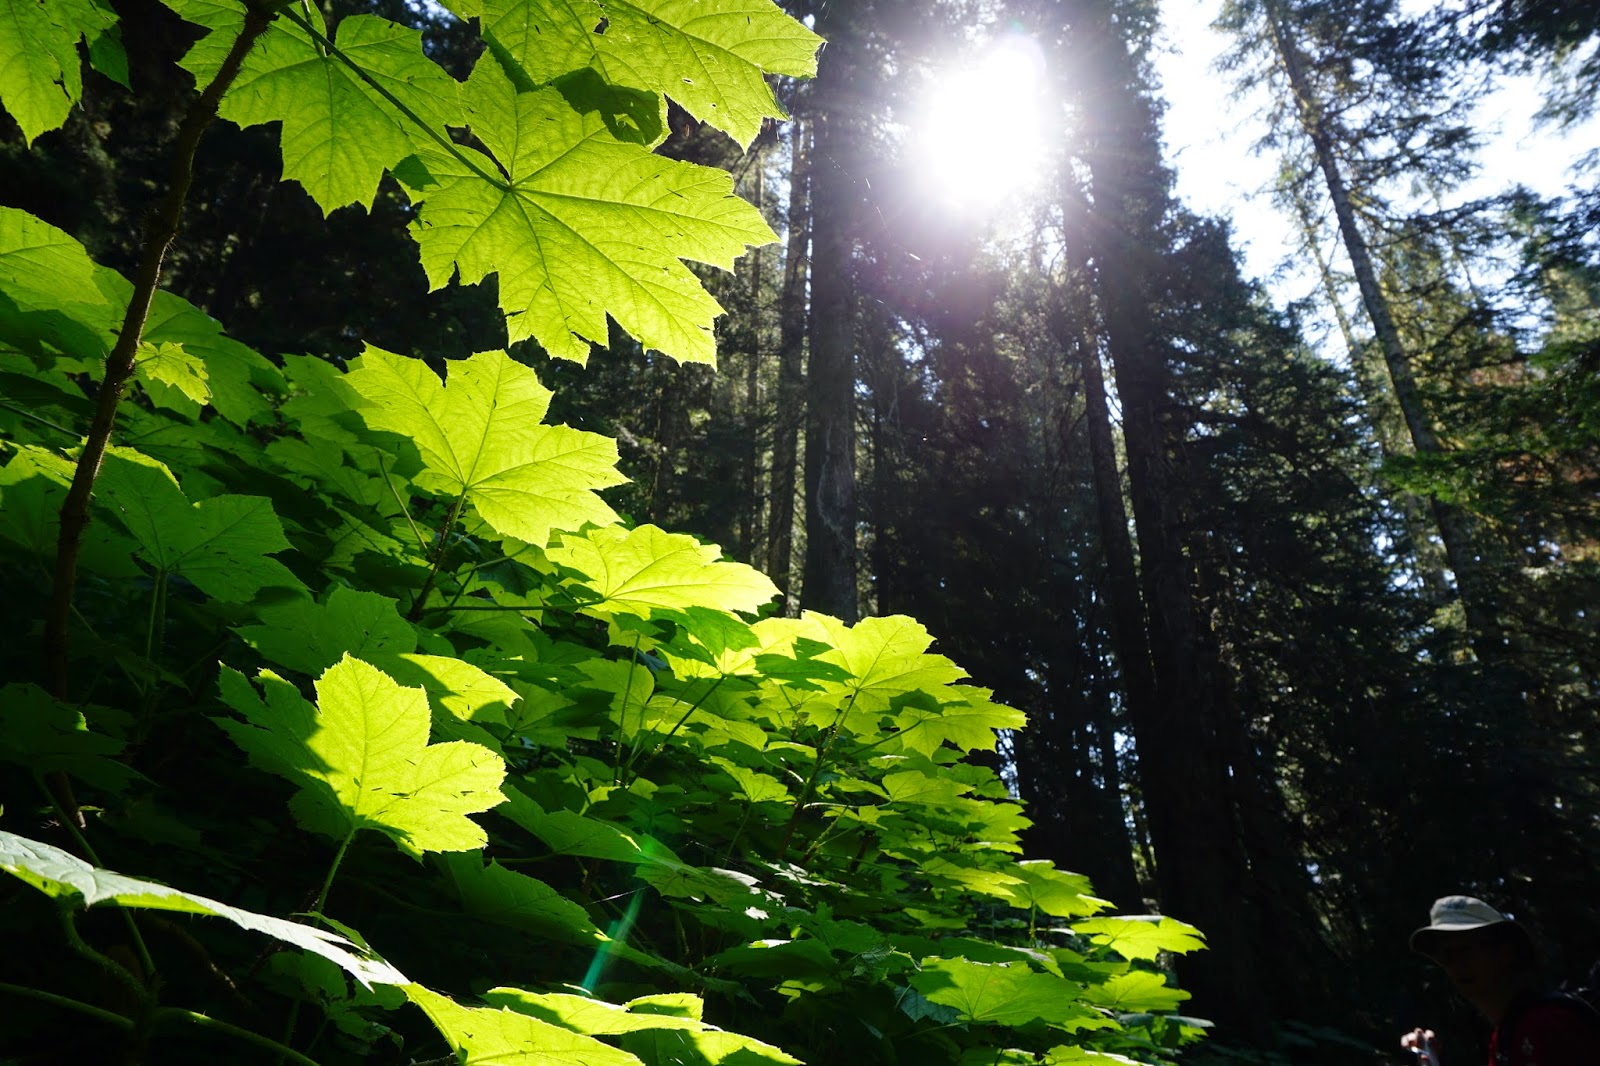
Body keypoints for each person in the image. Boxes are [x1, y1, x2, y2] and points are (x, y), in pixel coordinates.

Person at [1402, 895, 1600, 1066]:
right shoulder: (1504, 1037)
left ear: (1506, 952)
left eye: (1466, 950)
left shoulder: (1547, 1024)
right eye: (1446, 956)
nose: (1456, 965)